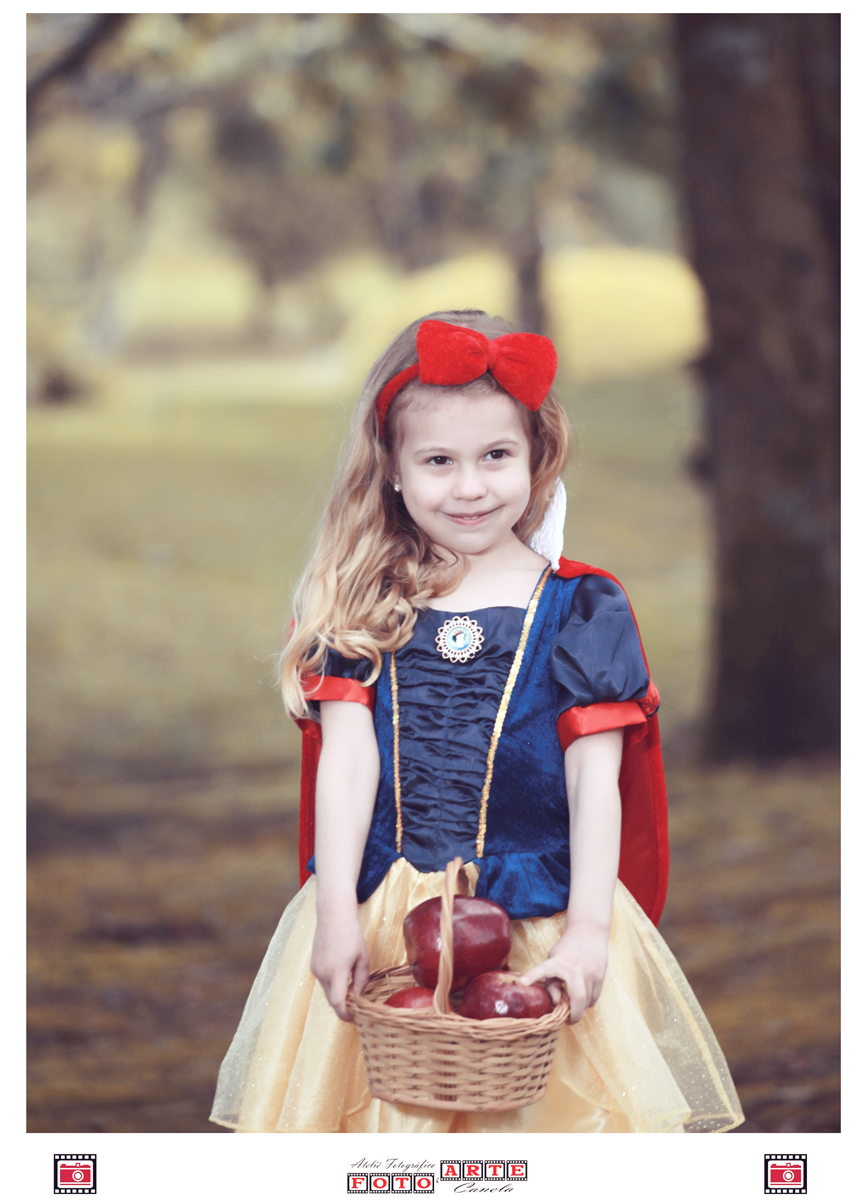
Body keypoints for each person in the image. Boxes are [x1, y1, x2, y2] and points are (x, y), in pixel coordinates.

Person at [210, 310, 744, 1134]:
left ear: (538, 455)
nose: (470, 486)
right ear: (390, 469)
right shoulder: (364, 608)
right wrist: (337, 918)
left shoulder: (581, 608)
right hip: (390, 921)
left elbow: (594, 784)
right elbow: (347, 769)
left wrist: (592, 933)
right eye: (438, 461)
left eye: (496, 455)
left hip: (541, 921)